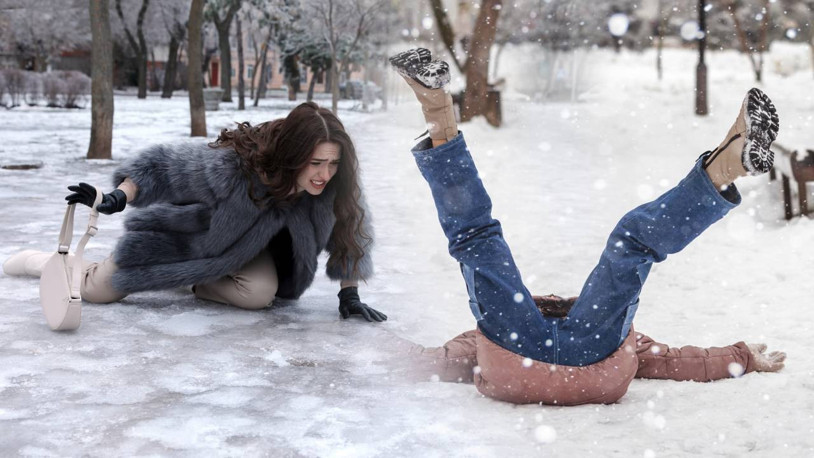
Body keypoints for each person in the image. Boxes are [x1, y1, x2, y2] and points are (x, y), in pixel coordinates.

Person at [388, 48, 785, 405]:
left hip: (516, 361)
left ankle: (436, 106)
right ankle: (726, 165)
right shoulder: (601, 321)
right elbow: (675, 362)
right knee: (484, 237)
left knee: (482, 240)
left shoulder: (501, 325)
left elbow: (434, 362)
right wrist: (742, 357)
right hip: (596, 366)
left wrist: (372, 356)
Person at [3, 102, 386, 322]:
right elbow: (161, 165)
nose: (325, 174)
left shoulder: (335, 185)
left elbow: (353, 230)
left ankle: (190, 281)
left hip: (241, 256)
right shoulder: (234, 168)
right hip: (186, 240)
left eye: (333, 163)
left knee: (259, 295)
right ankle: (42, 261)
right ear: (293, 155)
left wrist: (349, 295)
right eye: (316, 162)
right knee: (96, 291)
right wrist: (117, 196)